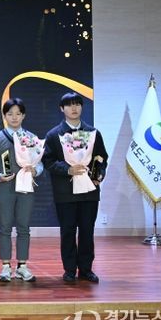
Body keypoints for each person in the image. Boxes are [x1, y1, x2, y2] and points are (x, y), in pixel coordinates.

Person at [42, 92, 108, 283]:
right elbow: (48, 161)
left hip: (89, 191)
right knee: (68, 231)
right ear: (61, 109)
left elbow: (102, 158)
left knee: (87, 230)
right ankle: (70, 269)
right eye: (69, 105)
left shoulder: (93, 133)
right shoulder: (54, 135)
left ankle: (86, 269)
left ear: (82, 107)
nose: (74, 108)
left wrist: (99, 175)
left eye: (77, 104)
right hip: (65, 191)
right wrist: (68, 169)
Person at [0, 98, 43, 283]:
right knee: (5, 226)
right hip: (5, 187)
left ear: (23, 115)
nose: (14, 117)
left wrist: (35, 171)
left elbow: (40, 163)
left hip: (26, 187)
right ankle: (6, 266)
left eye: (18, 113)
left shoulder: (32, 138)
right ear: (4, 116)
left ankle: (22, 266)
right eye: (10, 114)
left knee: (24, 226)